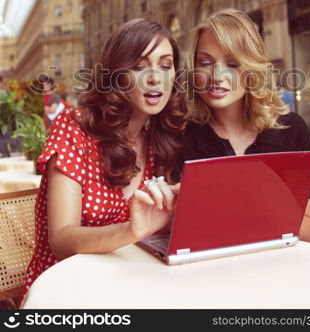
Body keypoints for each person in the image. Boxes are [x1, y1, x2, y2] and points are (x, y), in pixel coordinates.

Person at [21, 18, 187, 303]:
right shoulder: (74, 127)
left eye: (165, 64)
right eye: (139, 66)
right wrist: (132, 229)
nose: (155, 77)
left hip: (129, 284)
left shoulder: (160, 139)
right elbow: (61, 240)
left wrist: (179, 209)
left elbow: (156, 228)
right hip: (66, 291)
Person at [182, 9, 310, 242]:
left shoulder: (290, 130)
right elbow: (182, 229)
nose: (217, 75)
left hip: (274, 267)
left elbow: (308, 230)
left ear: (252, 68)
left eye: (232, 63)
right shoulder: (182, 135)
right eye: (205, 63)